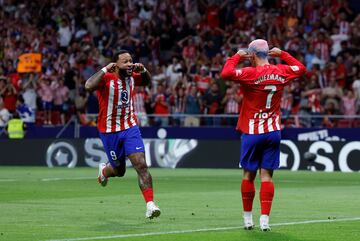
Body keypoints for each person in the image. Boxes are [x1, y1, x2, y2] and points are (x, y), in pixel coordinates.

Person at [221, 39, 306, 231]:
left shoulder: (251, 73)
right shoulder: (281, 71)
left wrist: (237, 56)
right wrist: (283, 54)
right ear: (268, 54)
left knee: (248, 175)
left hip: (253, 132)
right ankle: (265, 221)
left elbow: (226, 73)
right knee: (267, 176)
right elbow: (301, 69)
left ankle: (247, 220)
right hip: (273, 132)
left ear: (251, 55)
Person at [85, 50, 161, 219]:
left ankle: (150, 204)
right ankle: (104, 172)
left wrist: (144, 71)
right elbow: (88, 86)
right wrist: (105, 69)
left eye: (131, 61)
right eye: (125, 62)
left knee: (141, 164)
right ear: (116, 65)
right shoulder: (106, 78)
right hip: (109, 131)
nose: (129, 64)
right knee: (119, 171)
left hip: (130, 128)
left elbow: (147, 82)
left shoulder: (133, 76)